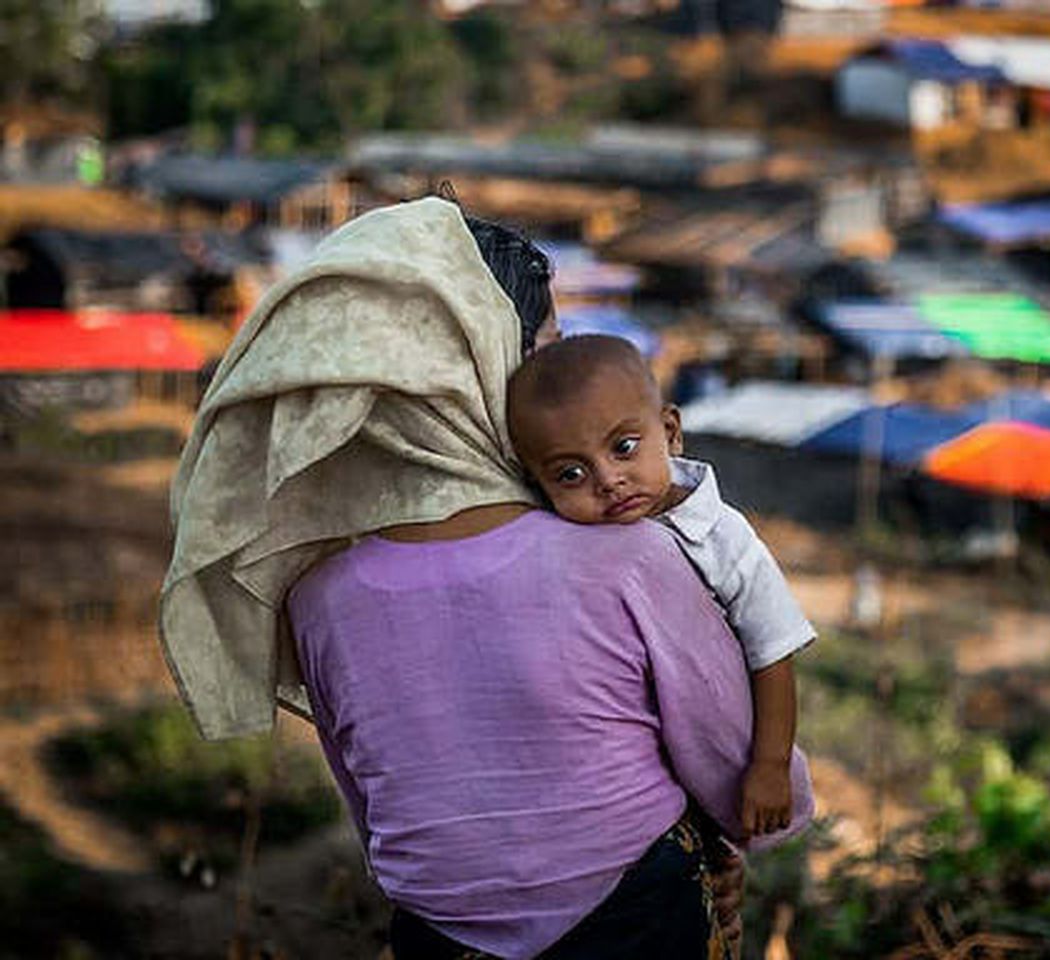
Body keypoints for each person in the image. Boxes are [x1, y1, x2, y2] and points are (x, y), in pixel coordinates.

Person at [160, 196, 812, 959]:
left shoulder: (317, 599)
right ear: (472, 366)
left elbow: (377, 804)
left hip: (437, 934)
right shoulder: (624, 554)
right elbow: (727, 753)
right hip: (632, 914)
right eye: (540, 353)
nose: (560, 384)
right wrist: (730, 840)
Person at [506, 335, 813, 837]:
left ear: (670, 432)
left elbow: (774, 651)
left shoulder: (722, 537)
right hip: (627, 767)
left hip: (724, 757)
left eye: (624, 448)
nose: (608, 480)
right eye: (571, 473)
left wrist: (771, 765)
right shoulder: (563, 546)